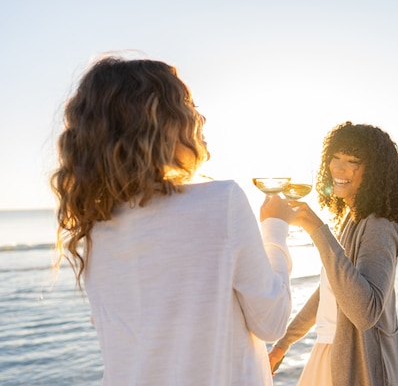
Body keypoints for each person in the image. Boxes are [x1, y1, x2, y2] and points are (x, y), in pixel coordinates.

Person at [50, 56, 295, 386]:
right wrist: (275, 227)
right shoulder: (220, 203)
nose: (201, 117)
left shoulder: (93, 228)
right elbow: (272, 321)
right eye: (186, 105)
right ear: (155, 122)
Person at [268, 121, 398, 386]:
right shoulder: (353, 219)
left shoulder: (379, 225)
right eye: (335, 157)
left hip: (359, 366)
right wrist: (284, 343)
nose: (338, 167)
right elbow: (331, 289)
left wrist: (317, 230)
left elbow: (365, 313)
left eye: (352, 161)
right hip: (329, 351)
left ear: (375, 171)